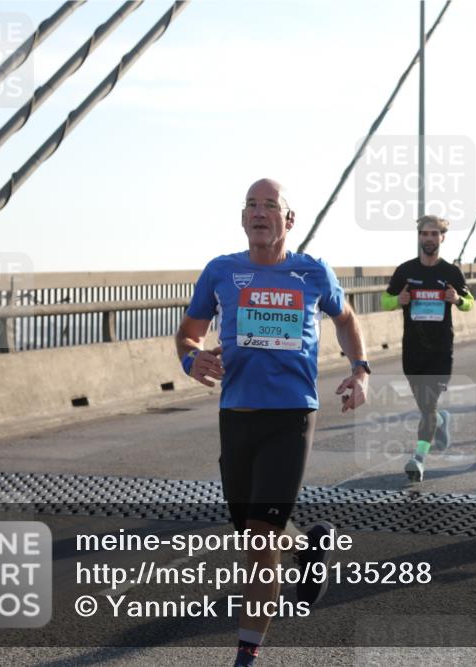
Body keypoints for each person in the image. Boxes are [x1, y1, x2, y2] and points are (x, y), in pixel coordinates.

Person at [175, 178, 370, 667]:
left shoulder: (312, 272)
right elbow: (188, 335)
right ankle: (309, 546)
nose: (259, 213)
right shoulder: (221, 272)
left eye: (270, 206)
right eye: (251, 206)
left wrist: (359, 369)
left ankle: (246, 655)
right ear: (243, 219)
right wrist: (190, 361)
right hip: (236, 417)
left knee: (260, 541)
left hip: (291, 415)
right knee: (253, 529)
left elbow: (346, 318)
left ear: (289, 220)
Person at [382, 215, 474, 482]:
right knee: (426, 407)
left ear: (442, 238)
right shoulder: (405, 271)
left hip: (441, 350)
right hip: (412, 349)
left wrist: (457, 299)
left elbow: (470, 302)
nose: (429, 239)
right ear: (419, 237)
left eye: (435, 234)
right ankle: (441, 420)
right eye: (425, 234)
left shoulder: (451, 272)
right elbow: (385, 300)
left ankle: (418, 458)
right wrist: (397, 300)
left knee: (428, 403)